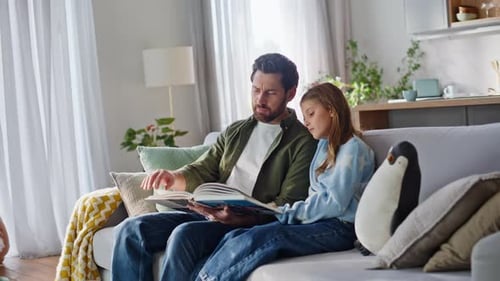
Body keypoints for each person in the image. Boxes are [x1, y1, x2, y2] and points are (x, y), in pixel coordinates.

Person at [111, 53, 318, 281]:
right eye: (256, 90)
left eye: (270, 92)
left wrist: (243, 218)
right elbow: (205, 168)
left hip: (242, 224)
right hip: (207, 212)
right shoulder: (236, 131)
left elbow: (289, 201)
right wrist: (173, 177)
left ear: (290, 93)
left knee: (184, 234)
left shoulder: (303, 141)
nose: (260, 99)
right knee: (130, 230)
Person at [193, 83, 376, 281]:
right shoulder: (324, 146)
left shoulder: (353, 149)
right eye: (304, 117)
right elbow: (315, 196)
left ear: (331, 110)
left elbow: (335, 203)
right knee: (235, 235)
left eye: (311, 114)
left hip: (340, 227)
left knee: (269, 237)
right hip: (319, 222)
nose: (306, 122)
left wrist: (290, 213)